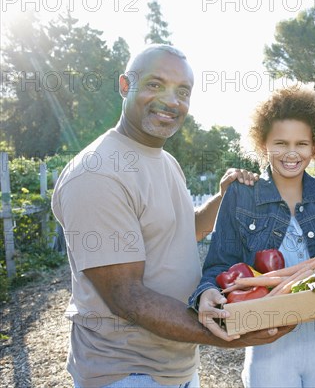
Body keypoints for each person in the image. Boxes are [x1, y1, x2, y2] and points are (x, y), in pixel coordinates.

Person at [51, 44, 290, 388]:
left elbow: (180, 231)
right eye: (154, 84)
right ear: (124, 85)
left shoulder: (164, 160)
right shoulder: (98, 173)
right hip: (126, 374)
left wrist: (223, 200)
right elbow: (127, 297)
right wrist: (230, 332)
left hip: (174, 367)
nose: (171, 100)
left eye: (183, 91)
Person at [189, 86, 315, 387]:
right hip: (267, 349)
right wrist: (204, 294)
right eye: (280, 143)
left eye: (302, 143)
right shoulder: (241, 196)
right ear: (263, 143)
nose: (292, 153)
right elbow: (219, 267)